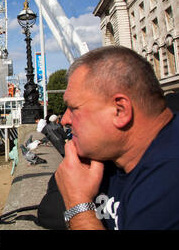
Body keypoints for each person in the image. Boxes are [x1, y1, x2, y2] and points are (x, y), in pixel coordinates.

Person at [55, 46, 179, 230]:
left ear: (120, 111)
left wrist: (78, 204)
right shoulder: (111, 162)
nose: (64, 120)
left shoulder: (169, 181)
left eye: (74, 108)